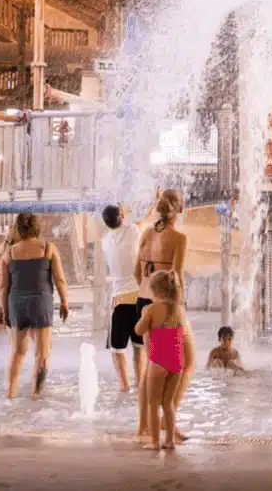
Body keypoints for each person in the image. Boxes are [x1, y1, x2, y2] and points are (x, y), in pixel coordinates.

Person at [134, 190, 193, 441]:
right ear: (178, 211)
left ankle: (144, 426)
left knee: (151, 365)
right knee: (186, 362)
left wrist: (150, 295)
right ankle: (168, 420)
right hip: (169, 304)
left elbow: (137, 273)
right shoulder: (179, 238)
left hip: (145, 300)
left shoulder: (147, 233)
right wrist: (177, 309)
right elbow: (176, 276)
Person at [0, 213, 70, 399]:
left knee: (18, 352)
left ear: (18, 229)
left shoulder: (9, 253)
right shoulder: (48, 248)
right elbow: (60, 279)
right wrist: (64, 301)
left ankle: (11, 393)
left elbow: (3, 287)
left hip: (17, 303)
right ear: (38, 228)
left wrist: (5, 311)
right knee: (42, 353)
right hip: (41, 302)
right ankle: (35, 395)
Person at [134, 270, 186, 451]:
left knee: (153, 403)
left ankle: (155, 442)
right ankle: (169, 441)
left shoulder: (150, 309)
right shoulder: (179, 310)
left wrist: (143, 318)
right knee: (168, 403)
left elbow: (139, 331)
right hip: (177, 362)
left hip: (158, 360)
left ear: (154, 290)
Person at [101, 204, 143, 392]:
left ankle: (124, 387)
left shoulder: (105, 241)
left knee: (117, 349)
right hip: (138, 299)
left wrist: (123, 214)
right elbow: (148, 220)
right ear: (122, 217)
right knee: (139, 347)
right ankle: (140, 384)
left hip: (119, 300)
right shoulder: (133, 231)